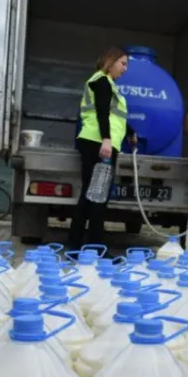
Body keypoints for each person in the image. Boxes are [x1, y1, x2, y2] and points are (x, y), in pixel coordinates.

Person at [68, 47, 137, 250]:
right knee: (97, 197)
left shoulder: (106, 84)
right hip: (98, 144)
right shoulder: (102, 81)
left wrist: (130, 131)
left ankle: (76, 245)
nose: (125, 69)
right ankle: (95, 248)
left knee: (92, 195)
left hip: (99, 143)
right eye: (123, 63)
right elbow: (101, 112)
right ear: (111, 61)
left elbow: (113, 114)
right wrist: (106, 139)